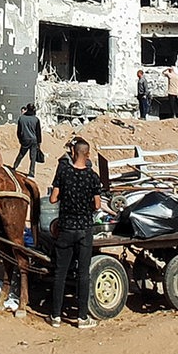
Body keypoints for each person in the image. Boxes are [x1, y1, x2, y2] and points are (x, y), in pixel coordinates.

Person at [48, 137, 102, 329]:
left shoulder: (64, 173)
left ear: (73, 153)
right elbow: (97, 205)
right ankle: (81, 317)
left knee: (60, 272)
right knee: (83, 273)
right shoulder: (93, 177)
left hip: (66, 228)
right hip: (84, 229)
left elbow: (53, 199)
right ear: (87, 155)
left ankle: (55, 316)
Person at [13, 103, 42, 178]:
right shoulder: (36, 119)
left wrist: (20, 139)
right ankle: (31, 172)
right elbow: (38, 132)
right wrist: (39, 143)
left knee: (21, 154)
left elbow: (19, 131)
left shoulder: (21, 118)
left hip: (25, 140)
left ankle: (14, 167)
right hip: (34, 140)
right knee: (33, 157)